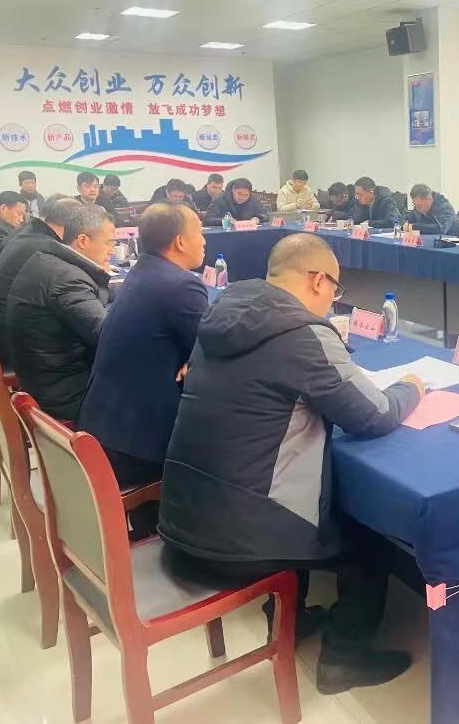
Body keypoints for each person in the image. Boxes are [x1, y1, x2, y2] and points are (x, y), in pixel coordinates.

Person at [158, 233, 424, 694]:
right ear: (319, 281)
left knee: (283, 493)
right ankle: (344, 658)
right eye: (335, 289)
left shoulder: (221, 314)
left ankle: (290, 621)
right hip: (241, 535)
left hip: (185, 513)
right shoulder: (300, 334)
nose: (332, 300)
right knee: (370, 544)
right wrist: (412, 388)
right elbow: (374, 415)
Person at [79, 203, 208, 486]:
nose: (204, 241)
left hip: (103, 427)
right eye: (200, 232)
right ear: (180, 241)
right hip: (137, 448)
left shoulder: (142, 272)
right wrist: (198, 359)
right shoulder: (180, 285)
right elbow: (214, 351)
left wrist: (193, 358)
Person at [6, 204, 114, 421]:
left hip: (45, 379)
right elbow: (109, 336)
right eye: (109, 243)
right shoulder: (67, 280)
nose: (112, 250)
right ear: (83, 240)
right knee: (157, 390)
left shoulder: (50, 261)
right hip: (66, 394)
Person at [0, 196, 82, 366]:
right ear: (73, 226)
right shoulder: (46, 247)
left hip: (8, 327)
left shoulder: (29, 233)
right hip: (24, 346)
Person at [203, 177, 269, 226]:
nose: (242, 197)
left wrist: (258, 218)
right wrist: (223, 221)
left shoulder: (253, 200)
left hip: (248, 232)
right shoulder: (220, 200)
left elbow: (266, 215)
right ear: (233, 190)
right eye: (239, 194)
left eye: (246, 195)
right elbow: (207, 219)